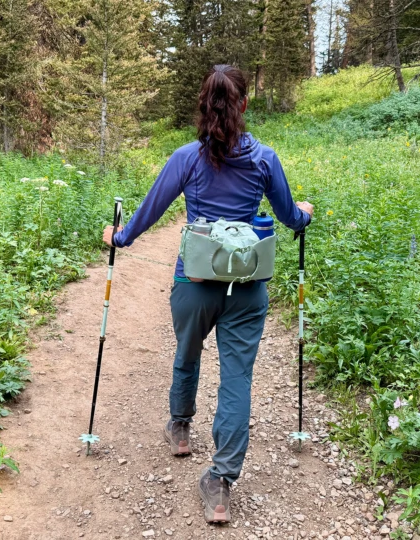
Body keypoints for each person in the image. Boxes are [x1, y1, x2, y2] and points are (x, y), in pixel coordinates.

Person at [103, 64, 313, 524]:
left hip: (194, 284)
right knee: (236, 379)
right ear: (243, 104)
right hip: (247, 288)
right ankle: (220, 482)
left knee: (187, 351)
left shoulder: (187, 158)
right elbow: (288, 217)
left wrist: (118, 238)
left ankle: (180, 428)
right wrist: (305, 215)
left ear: (204, 104)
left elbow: (150, 210)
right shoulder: (264, 159)